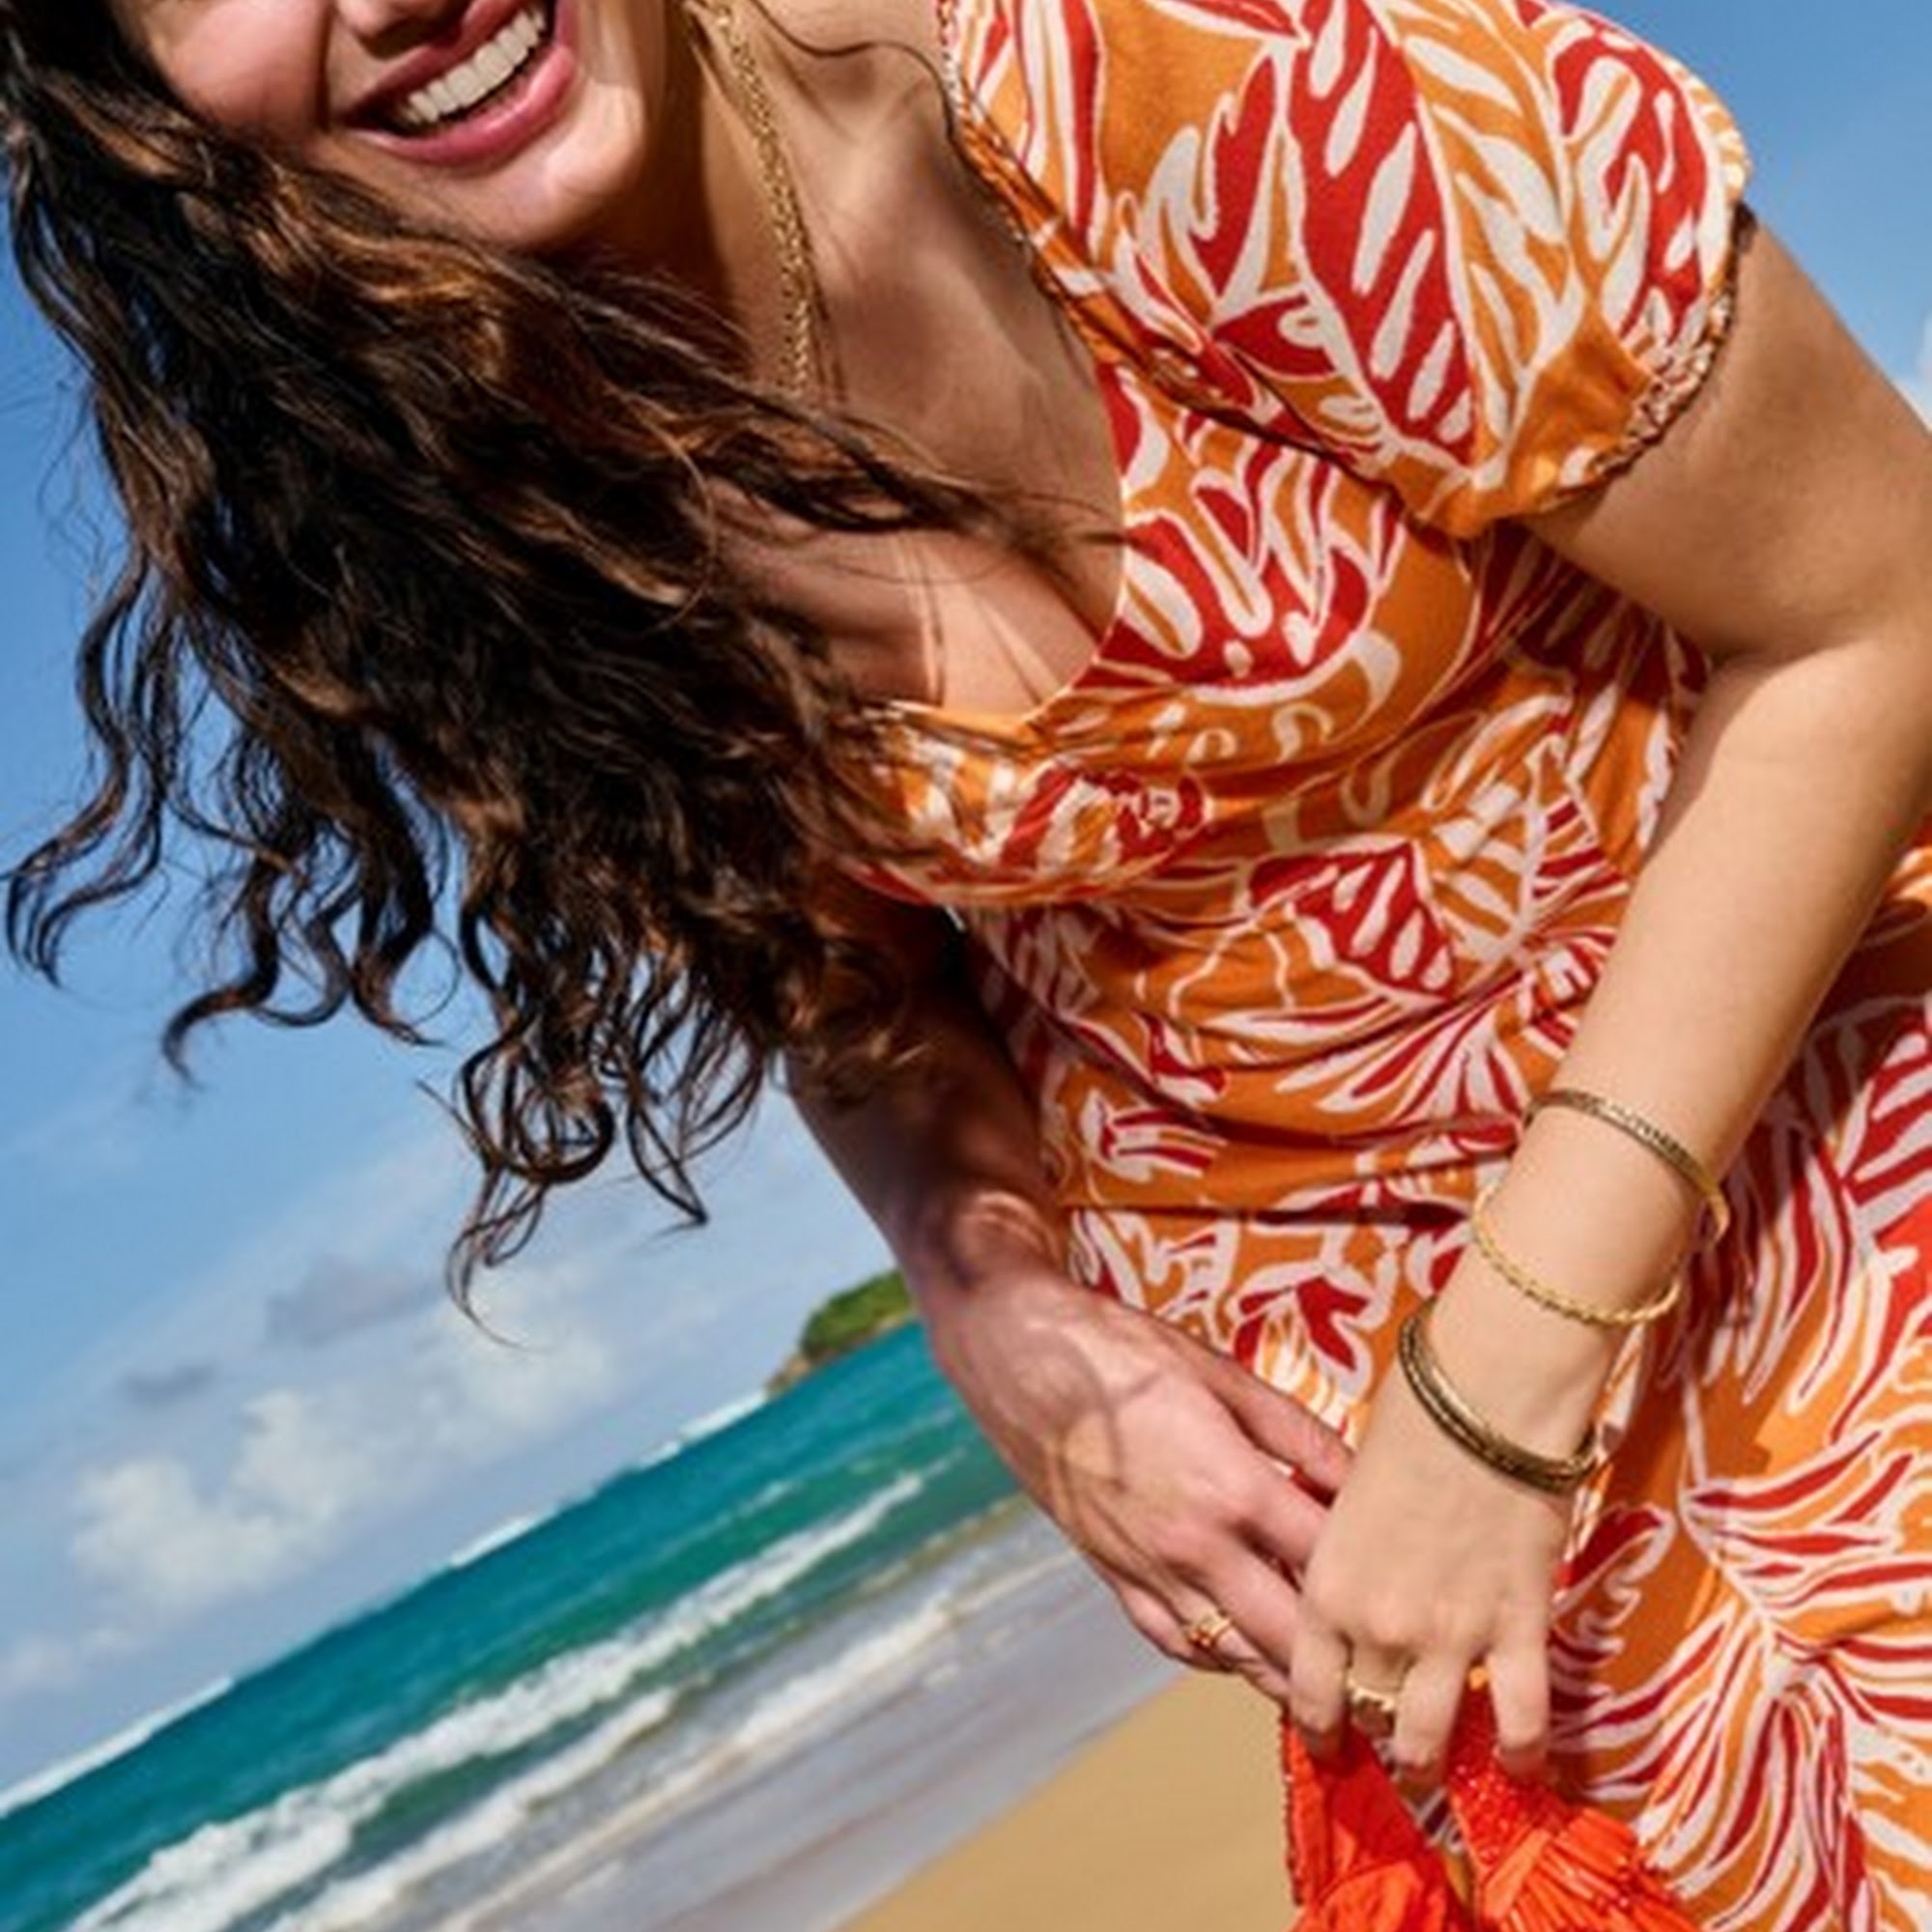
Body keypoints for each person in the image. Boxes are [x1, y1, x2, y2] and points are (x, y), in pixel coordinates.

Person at [3, 0, 1926, 1924]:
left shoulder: (1171, 74)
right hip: (1401, 1536)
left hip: (1817, 1173)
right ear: (127, 99)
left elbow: (1872, 604)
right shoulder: (468, 484)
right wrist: (990, 1301)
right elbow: (846, 991)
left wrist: (1496, 1381)